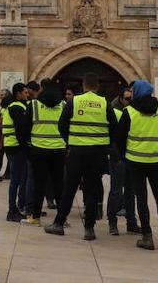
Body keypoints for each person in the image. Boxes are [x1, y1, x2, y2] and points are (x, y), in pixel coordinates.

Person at [46, 72, 115, 239]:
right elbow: (114, 128)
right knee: (92, 189)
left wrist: (69, 143)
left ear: (84, 86)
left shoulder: (74, 102)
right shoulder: (105, 103)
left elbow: (62, 125)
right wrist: (105, 145)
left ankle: (59, 223)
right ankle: (89, 229)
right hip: (97, 153)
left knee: (69, 188)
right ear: (97, 86)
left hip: (77, 152)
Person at [116, 79, 158, 251]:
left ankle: (147, 237)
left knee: (141, 199)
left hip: (135, 162)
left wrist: (125, 156)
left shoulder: (129, 112)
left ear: (135, 93)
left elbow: (119, 138)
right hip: (155, 161)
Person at [23, 79, 65, 226]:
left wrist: (28, 146)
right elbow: (68, 127)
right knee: (59, 185)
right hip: (59, 151)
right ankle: (61, 219)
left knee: (39, 184)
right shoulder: (64, 105)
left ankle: (35, 217)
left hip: (38, 150)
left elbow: (24, 128)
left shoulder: (34, 105)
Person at [107, 85, 137, 235]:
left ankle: (131, 223)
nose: (129, 101)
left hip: (131, 157)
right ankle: (112, 223)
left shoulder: (134, 112)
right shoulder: (114, 112)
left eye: (132, 98)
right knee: (116, 191)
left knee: (131, 192)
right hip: (118, 158)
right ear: (120, 99)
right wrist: (114, 154)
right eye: (127, 99)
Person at [2, 82, 31, 223]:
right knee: (15, 180)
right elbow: (21, 130)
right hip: (16, 147)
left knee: (18, 179)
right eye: (25, 92)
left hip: (12, 146)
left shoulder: (14, 106)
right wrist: (25, 146)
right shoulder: (17, 107)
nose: (27, 95)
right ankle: (12, 210)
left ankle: (15, 209)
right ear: (18, 93)